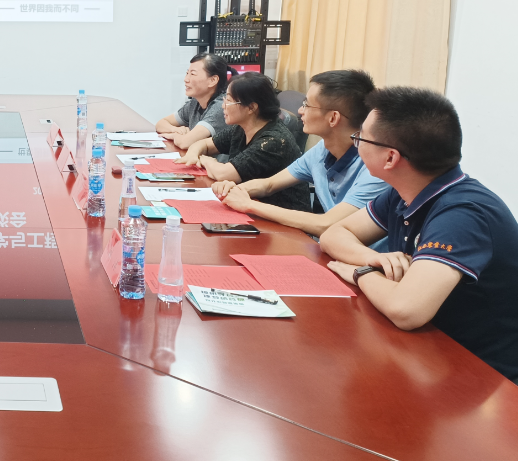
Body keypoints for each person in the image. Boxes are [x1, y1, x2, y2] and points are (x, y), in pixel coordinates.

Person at [321, 87, 518, 383]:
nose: (356, 143)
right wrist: (374, 259)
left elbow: (406, 310)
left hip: (481, 376)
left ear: (390, 158)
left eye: (361, 138)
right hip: (427, 354)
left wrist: (361, 272)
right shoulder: (405, 192)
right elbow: (334, 234)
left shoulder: (463, 213)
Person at [212, 70, 389, 236]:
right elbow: (269, 185)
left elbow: (327, 224)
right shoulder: (322, 149)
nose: (300, 111)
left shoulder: (375, 168)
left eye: (307, 105)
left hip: (361, 254)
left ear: (333, 118)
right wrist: (234, 189)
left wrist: (249, 205)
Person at [177, 73, 309, 211]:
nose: (223, 106)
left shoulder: (272, 141)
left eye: (229, 101)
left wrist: (205, 160)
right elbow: (203, 144)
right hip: (250, 205)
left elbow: (224, 174)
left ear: (251, 107)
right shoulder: (241, 128)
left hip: (279, 215)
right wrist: (193, 154)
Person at [155, 54, 233, 150]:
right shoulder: (195, 102)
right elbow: (160, 124)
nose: (186, 79)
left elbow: (185, 143)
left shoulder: (221, 106)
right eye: (187, 73)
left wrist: (174, 135)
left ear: (213, 80)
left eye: (192, 74)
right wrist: (175, 130)